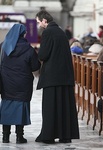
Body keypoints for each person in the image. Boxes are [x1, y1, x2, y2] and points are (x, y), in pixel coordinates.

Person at [35, 10, 80, 144]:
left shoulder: (48, 32)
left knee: (50, 107)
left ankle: (48, 136)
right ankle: (65, 135)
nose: (39, 25)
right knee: (64, 106)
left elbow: (43, 55)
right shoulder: (61, 31)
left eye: (39, 22)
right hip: (64, 75)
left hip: (52, 76)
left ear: (44, 20)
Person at [0, 23, 41, 143]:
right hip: (22, 84)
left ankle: (5, 136)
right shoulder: (28, 48)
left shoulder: (3, 46)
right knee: (20, 108)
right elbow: (35, 67)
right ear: (22, 34)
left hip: (6, 82)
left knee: (6, 107)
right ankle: (19, 136)